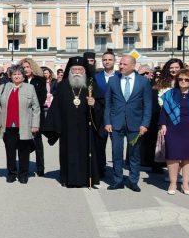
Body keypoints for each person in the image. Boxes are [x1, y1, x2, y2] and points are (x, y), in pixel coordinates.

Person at [42, 57, 105, 188]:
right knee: (68, 153)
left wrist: (94, 104)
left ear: (84, 71)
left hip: (85, 128)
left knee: (85, 152)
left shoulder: (90, 84)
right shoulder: (63, 85)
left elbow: (101, 104)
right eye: (74, 69)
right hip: (67, 128)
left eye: (80, 69)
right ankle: (68, 179)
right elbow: (56, 108)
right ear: (69, 71)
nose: (77, 72)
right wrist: (55, 127)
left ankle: (85, 179)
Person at [104, 55, 152, 192]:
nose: (121, 66)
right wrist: (107, 121)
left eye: (124, 64)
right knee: (116, 153)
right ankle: (117, 180)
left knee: (134, 154)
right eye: (120, 64)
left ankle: (133, 180)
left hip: (136, 124)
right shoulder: (113, 81)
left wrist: (145, 124)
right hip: (116, 123)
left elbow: (147, 105)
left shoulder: (143, 82)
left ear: (133, 66)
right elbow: (108, 104)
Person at [160, 68, 189, 195]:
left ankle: (185, 183)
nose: (183, 81)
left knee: (188, 158)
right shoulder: (170, 94)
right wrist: (163, 125)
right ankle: (173, 182)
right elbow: (164, 111)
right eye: (181, 79)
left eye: (187, 79)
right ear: (177, 80)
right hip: (173, 128)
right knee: (172, 157)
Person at [0, 65, 40, 184]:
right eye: (14, 74)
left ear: (23, 76)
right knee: (10, 151)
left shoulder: (30, 88)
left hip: (24, 125)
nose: (17, 76)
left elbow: (36, 108)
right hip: (8, 125)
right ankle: (11, 173)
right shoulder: (3, 87)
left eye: (19, 74)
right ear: (10, 76)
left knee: (24, 152)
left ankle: (23, 174)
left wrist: (35, 125)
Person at [93, 50, 120, 177]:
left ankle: (117, 171)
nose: (107, 62)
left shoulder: (121, 76)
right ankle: (100, 169)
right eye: (105, 60)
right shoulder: (96, 77)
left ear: (114, 61)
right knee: (100, 145)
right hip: (101, 115)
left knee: (117, 146)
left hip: (117, 115)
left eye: (110, 59)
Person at [20, 58, 47, 176]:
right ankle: (23, 167)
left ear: (32, 67)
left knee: (37, 142)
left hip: (36, 114)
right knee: (23, 142)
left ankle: (40, 168)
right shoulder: (20, 80)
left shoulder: (40, 80)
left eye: (27, 67)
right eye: (24, 67)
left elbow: (42, 98)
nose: (26, 69)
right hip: (23, 115)